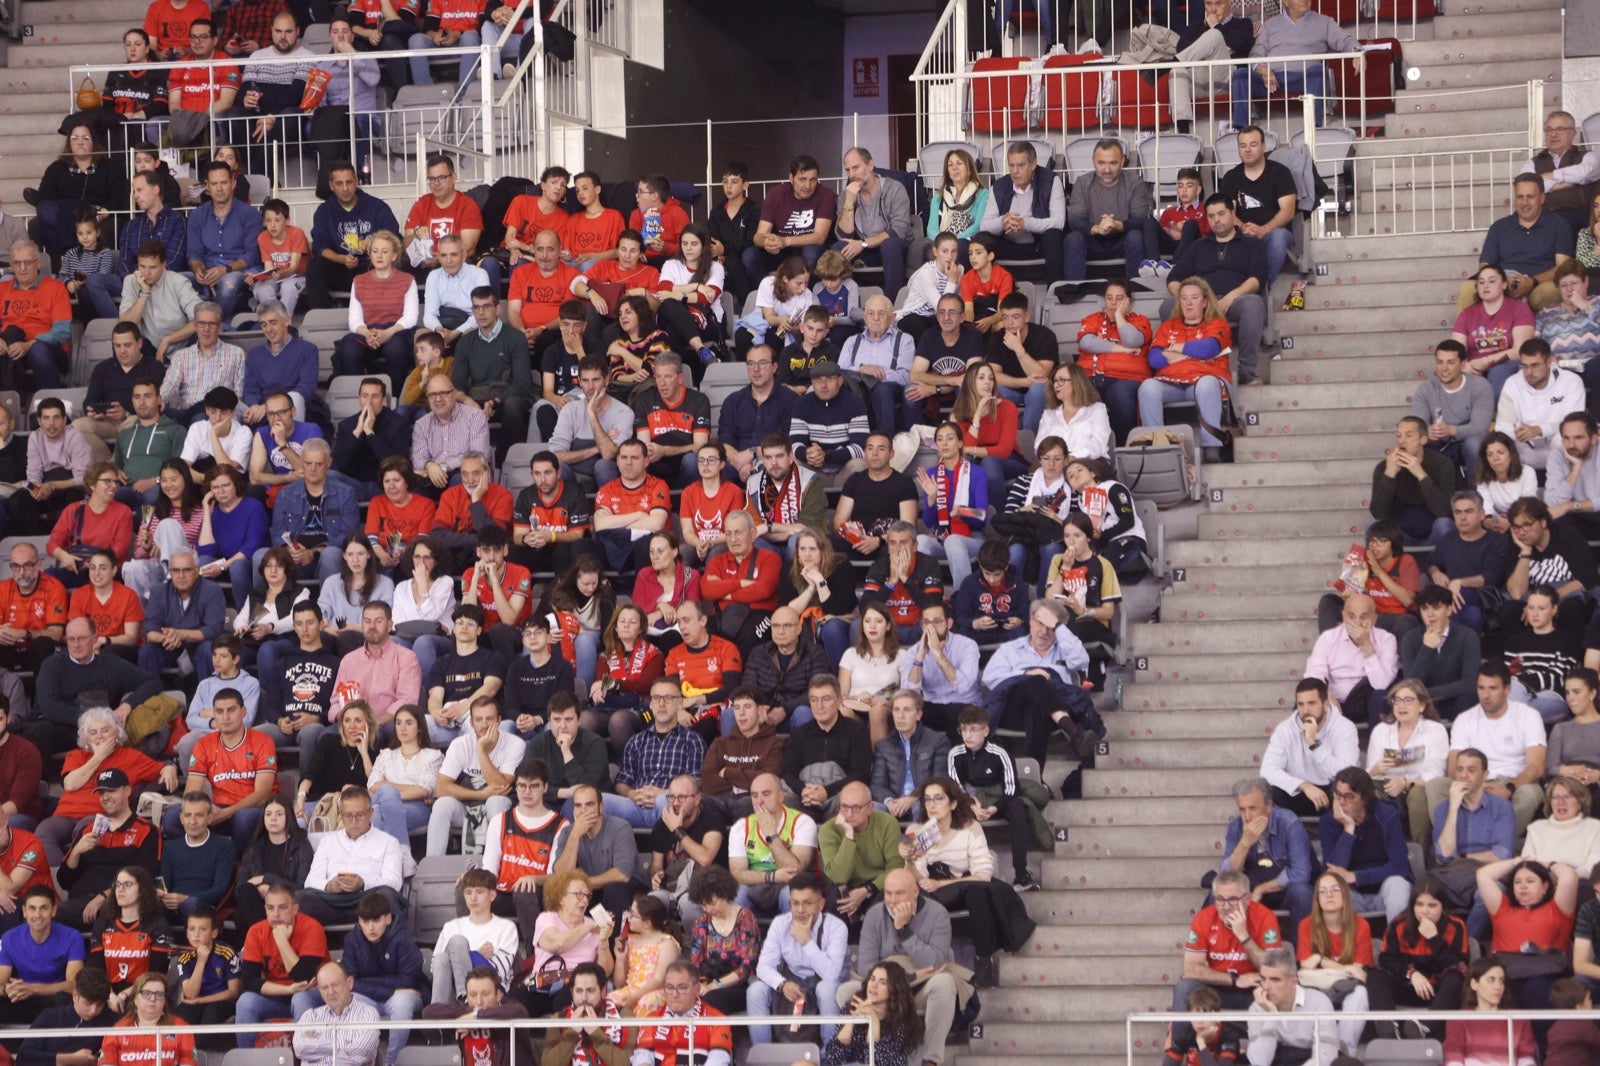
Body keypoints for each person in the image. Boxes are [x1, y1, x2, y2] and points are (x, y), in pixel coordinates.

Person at [835, 868, 963, 1066]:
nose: (892, 900)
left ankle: (930, 1060)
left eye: (899, 893)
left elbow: (936, 963)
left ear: (915, 892)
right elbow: (866, 968)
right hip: (886, 990)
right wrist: (906, 977)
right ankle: (865, 1055)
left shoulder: (938, 914)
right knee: (846, 991)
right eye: (888, 893)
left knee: (945, 983)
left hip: (921, 988)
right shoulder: (874, 914)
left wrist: (904, 931)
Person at [1421, 662, 1549, 839]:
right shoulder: (1465, 719)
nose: (1486, 695)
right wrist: (1476, 786)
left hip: (1514, 781)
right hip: (1473, 779)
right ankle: (1452, 843)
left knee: (1531, 793)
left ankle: (1499, 844)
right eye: (1481, 688)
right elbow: (1453, 767)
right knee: (1436, 786)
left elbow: (1537, 767)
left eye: (1492, 688)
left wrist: (1508, 788)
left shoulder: (1528, 716)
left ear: (1507, 690)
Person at [980, 599, 1100, 770]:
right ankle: (1073, 732)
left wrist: (1058, 626)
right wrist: (1025, 673)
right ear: (1030, 620)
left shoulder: (1064, 650)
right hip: (1012, 713)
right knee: (1035, 680)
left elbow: (1081, 661)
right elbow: (990, 678)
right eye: (1039, 623)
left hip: (1047, 716)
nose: (1044, 631)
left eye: (1050, 627)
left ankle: (1035, 779)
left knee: (1037, 708)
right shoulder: (1011, 649)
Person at [32, 625, 165, 765]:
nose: (76, 644)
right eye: (71, 639)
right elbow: (50, 707)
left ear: (95, 639)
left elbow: (153, 681)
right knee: (38, 732)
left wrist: (127, 705)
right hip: (63, 727)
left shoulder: (110, 663)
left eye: (82, 638)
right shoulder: (52, 665)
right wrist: (91, 720)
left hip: (100, 731)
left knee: (118, 731)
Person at [1140, 276, 1235, 464]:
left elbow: (1209, 348)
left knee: (1207, 383)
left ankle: (1212, 447)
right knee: (1147, 386)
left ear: (1205, 301)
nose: (1188, 303)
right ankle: (1158, 447)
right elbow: (1155, 359)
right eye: (1184, 298)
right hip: (1171, 384)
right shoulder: (1168, 327)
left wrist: (1177, 349)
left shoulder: (1217, 324)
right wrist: (1194, 354)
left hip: (1202, 381)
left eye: (1194, 297)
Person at [746, 871, 847, 1044]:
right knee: (755, 991)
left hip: (820, 987)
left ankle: (828, 1057)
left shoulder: (836, 927)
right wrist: (782, 984)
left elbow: (831, 975)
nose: (800, 910)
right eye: (795, 903)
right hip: (790, 984)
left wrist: (806, 941)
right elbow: (763, 967)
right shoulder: (780, 923)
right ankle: (763, 1058)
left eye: (807, 903)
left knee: (827, 989)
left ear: (821, 904)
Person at [1457, 173, 1575, 317]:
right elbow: (1485, 266)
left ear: (1542, 198)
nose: (1524, 202)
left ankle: (1546, 336)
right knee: (1467, 289)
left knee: (1551, 290)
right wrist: (1502, 282)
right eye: (1520, 197)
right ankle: (1462, 338)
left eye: (1530, 197)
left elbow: (1563, 268)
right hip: (1502, 283)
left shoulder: (1558, 224)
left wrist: (1532, 282)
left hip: (1538, 285)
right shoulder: (1499, 227)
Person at [1364, 877, 1469, 1030]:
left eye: (1432, 905)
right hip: (1408, 986)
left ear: (1443, 907)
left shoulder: (1456, 926)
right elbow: (1387, 960)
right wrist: (1411, 974)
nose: (1425, 911)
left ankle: (1423, 1028)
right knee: (1375, 975)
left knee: (1456, 978)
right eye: (1419, 904)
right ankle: (1387, 1027)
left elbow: (1460, 966)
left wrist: (1434, 939)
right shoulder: (1398, 924)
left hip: (1440, 993)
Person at [1477, 856, 1579, 1010]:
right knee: (1501, 989)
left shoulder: (1557, 907)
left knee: (1535, 988)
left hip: (1547, 973)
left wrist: (1546, 863)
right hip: (1507, 973)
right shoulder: (1502, 907)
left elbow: (1569, 876)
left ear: (1545, 886)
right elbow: (1483, 875)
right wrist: (1518, 861)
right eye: (1517, 882)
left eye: (1530, 881)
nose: (1522, 886)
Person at [233, 884, 328, 1045]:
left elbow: (304, 977)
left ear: (295, 908)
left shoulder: (311, 928)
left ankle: (307, 1058)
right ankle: (247, 1059)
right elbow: (250, 982)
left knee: (300, 998)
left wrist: (281, 940)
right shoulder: (256, 931)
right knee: (245, 1001)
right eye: (270, 908)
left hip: (312, 995)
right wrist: (287, 989)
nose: (275, 914)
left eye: (282, 907)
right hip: (276, 997)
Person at [1320, 766, 1414, 922]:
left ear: (1364, 798)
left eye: (1349, 796)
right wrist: (1348, 829)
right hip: (1352, 894)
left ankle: (1396, 943)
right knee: (1333, 888)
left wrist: (1356, 876)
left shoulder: (1387, 815)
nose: (1342, 802)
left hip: (1385, 888)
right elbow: (1333, 873)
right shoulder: (1329, 821)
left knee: (1398, 885)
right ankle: (1348, 946)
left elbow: (1400, 867)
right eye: (1338, 796)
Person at [332, 231, 418, 397]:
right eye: (375, 251)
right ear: (369, 254)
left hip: (396, 331)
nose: (379, 255)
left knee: (396, 350)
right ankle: (357, 398)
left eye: (385, 252)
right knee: (349, 350)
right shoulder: (359, 280)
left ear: (393, 256)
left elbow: (410, 317)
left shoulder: (407, 280)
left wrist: (387, 333)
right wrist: (367, 333)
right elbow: (354, 320)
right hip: (368, 332)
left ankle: (395, 398)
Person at [1294, 873, 1373, 1052]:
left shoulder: (1361, 925)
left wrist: (1322, 960)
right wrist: (1347, 968)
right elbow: (1306, 966)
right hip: (1317, 986)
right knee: (1308, 995)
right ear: (1317, 899)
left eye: (1335, 890)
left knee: (1360, 993)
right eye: (1323, 891)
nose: (1329, 895)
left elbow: (1360, 972)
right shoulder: (1306, 925)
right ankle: (1324, 1050)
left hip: (1348, 987)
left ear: (1345, 894)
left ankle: (1345, 1051)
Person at [306, 162, 401, 309]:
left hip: (372, 267)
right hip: (341, 268)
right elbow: (320, 246)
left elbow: (394, 236)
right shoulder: (324, 211)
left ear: (356, 181)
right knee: (315, 265)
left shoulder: (376, 206)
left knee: (394, 261)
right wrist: (341, 259)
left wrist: (373, 242)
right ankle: (322, 317)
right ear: (331, 186)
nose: (345, 189)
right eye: (339, 183)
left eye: (349, 182)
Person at [1260, 678, 1358, 819]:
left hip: (1332, 792)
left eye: (1311, 703)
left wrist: (1314, 744)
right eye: (1301, 704)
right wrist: (1304, 786)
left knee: (1345, 791)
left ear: (1325, 704)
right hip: (1301, 792)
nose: (1306, 711)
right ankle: (1290, 837)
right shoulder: (1285, 730)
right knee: (1269, 794)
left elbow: (1347, 774)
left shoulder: (1344, 728)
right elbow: (1267, 771)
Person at [1369, 678, 1452, 843]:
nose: (1401, 706)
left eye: (1408, 700)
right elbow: (1370, 773)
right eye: (1397, 700)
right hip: (1387, 787)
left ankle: (1421, 854)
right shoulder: (1381, 731)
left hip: (1420, 787)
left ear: (1421, 705)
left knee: (1417, 795)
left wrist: (1406, 782)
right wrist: (1376, 769)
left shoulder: (1435, 730)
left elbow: (1436, 772)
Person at [521, 871, 613, 1017]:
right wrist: (589, 927)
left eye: (587, 895)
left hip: (575, 986)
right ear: (561, 897)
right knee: (516, 1005)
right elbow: (557, 944)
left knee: (567, 1002)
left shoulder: (594, 926)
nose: (584, 900)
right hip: (541, 984)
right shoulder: (546, 918)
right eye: (578, 894)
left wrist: (603, 941)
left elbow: (605, 972)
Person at [1064, 139, 1157, 281]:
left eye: (1113, 163)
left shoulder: (1134, 182)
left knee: (1136, 237)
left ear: (1122, 161)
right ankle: (1072, 293)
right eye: (1101, 163)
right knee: (1073, 238)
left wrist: (1117, 225)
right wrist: (1097, 228)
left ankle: (1138, 289)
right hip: (1092, 242)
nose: (1107, 170)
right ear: (1093, 161)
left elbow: (1140, 219)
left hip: (1122, 240)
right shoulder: (1082, 183)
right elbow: (1075, 221)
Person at [1425, 490, 1511, 639]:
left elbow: (1491, 577)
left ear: (1482, 514)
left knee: (1460, 595)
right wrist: (1435, 572)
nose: (1462, 517)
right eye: (1457, 512)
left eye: (1468, 511)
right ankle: (1466, 656)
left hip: (1487, 597)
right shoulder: (1449, 538)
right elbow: (1432, 563)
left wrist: (1459, 582)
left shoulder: (1497, 541)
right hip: (1457, 601)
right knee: (1472, 616)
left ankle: (1442, 648)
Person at [1303, 594, 1399, 728]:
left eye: (1364, 617)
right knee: (1307, 699)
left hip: (1366, 699)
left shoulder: (1387, 639)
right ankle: (1312, 747)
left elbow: (1381, 684)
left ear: (1374, 619)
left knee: (1381, 697)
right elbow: (1313, 673)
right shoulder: (1328, 638)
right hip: (1335, 700)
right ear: (1343, 616)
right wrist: (1324, 694)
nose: (1357, 623)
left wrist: (1366, 645)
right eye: (1351, 616)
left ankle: (1379, 746)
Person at [728, 772, 817, 916]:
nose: (759, 801)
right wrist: (772, 876)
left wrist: (772, 835)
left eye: (766, 794)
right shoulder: (741, 827)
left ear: (781, 796)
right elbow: (737, 874)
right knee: (739, 895)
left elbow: (795, 870)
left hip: (789, 888)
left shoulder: (802, 822)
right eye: (754, 795)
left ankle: (794, 938)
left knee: (789, 895)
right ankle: (743, 938)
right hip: (756, 889)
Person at [85, 865, 172, 1011]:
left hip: (144, 994)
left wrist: (125, 994)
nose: (120, 889)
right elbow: (97, 969)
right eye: (117, 885)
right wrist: (110, 995)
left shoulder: (158, 925)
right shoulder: (103, 924)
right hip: (107, 994)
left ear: (142, 889)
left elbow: (156, 973)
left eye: (127, 884)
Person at [184, 161, 262, 320]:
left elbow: (252, 254)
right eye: (214, 183)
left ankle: (216, 328)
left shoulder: (250, 214)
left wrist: (225, 269)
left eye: (224, 182)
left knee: (228, 283)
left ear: (233, 183)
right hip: (208, 270)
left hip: (237, 271)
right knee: (177, 280)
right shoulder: (197, 215)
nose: (219, 188)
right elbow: (193, 253)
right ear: (207, 187)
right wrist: (198, 269)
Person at [978, 141, 1066, 281]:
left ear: (1033, 164)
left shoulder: (1051, 181)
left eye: (1021, 165)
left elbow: (1059, 222)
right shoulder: (1000, 186)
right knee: (981, 239)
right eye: (1011, 165)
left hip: (1039, 244)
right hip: (1009, 245)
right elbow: (984, 225)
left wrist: (1025, 223)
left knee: (1054, 235)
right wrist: (1003, 221)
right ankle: (984, 291)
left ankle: (1055, 293)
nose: (1015, 171)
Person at [834, 147, 914, 298]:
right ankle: (847, 303)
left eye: (856, 168)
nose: (852, 175)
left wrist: (863, 243)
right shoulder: (846, 195)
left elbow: (899, 230)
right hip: (864, 249)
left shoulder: (894, 188)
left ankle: (891, 305)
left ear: (870, 165)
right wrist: (849, 201)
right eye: (848, 170)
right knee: (838, 248)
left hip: (894, 247)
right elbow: (843, 235)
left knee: (890, 244)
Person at [0, 886, 86, 1024]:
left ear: (54, 911)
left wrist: (33, 989)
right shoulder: (9, 938)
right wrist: (7, 990)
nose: (37, 915)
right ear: (24, 912)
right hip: (22, 999)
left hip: (53, 1000)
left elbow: (74, 985)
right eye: (32, 908)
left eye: (44, 908)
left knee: (65, 999)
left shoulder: (72, 937)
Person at [744, 155, 837, 280]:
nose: (808, 186)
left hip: (809, 249)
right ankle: (770, 293)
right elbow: (758, 236)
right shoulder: (775, 194)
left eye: (813, 180)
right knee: (749, 255)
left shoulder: (825, 194)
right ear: (791, 178)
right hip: (781, 252)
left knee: (811, 252)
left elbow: (820, 237)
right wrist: (767, 242)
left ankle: (806, 296)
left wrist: (785, 241)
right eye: (802, 179)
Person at [432, 867, 519, 999]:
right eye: (468, 892)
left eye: (479, 892)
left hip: (489, 994)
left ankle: (466, 998)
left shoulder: (507, 928)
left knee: (457, 942)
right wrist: (477, 955)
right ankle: (462, 999)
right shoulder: (451, 926)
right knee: (442, 957)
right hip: (452, 993)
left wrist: (467, 956)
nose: (473, 898)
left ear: (492, 895)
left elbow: (498, 973)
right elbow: (436, 967)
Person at [421, 964, 534, 1066]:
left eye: (485, 994)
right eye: (473, 995)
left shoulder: (510, 1009)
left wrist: (477, 1016)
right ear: (467, 997)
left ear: (498, 995)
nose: (479, 1002)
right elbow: (428, 1012)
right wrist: (468, 1017)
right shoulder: (463, 1014)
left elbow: (518, 1012)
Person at [42, 463, 133, 590]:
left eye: (115, 482)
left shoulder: (123, 511)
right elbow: (52, 543)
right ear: (92, 484)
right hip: (78, 570)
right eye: (107, 481)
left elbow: (119, 548)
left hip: (108, 570)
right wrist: (64, 556)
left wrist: (93, 563)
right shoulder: (73, 509)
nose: (113, 486)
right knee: (48, 577)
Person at [1244, 946, 1340, 1066]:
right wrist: (1272, 1017)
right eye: (1263, 979)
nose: (1266, 987)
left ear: (1294, 982)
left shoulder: (1319, 1003)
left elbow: (1325, 1058)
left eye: (1275, 980)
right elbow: (1258, 1062)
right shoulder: (1257, 1007)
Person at [1372, 416, 1458, 546]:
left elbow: (1445, 511)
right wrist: (1389, 475)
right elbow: (1378, 513)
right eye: (1398, 436)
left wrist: (1421, 474)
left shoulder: (1442, 464)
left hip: (1433, 531)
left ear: (1423, 439)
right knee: (1373, 526)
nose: (1402, 441)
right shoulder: (1384, 467)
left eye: (1408, 436)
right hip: (1401, 535)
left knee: (1444, 525)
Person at [629, 959, 734, 1066]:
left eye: (682, 988)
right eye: (669, 988)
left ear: (697, 989)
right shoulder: (652, 1019)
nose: (674, 994)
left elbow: (717, 1062)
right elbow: (642, 1059)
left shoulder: (717, 1020)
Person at [1413, 340, 1494, 477]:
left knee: (1474, 444)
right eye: (1440, 362)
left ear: (1462, 364)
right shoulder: (1426, 389)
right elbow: (1416, 424)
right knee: (1414, 443)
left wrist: (1451, 430)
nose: (1444, 368)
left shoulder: (1480, 386)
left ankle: (1477, 494)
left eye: (1450, 362)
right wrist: (1427, 431)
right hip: (1439, 444)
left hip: (1467, 442)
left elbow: (1480, 428)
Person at [683, 865, 758, 1013]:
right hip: (708, 985)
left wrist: (714, 985)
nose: (708, 909)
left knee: (711, 999)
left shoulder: (745, 919)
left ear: (724, 894)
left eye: (712, 903)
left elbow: (746, 967)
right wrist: (700, 986)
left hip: (738, 986)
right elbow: (696, 963)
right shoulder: (701, 923)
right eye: (703, 905)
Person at [740, 609, 830, 732]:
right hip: (761, 714)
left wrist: (785, 709)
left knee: (803, 712)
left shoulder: (815, 653)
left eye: (787, 626)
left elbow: (817, 691)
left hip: (793, 714)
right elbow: (748, 687)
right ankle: (735, 751)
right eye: (776, 626)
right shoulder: (758, 653)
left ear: (799, 628)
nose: (780, 631)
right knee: (729, 714)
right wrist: (759, 707)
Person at [1456, 267, 1538, 398]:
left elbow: (1521, 350)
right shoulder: (1467, 314)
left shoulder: (1519, 309)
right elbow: (1455, 350)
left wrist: (1486, 361)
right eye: (1481, 282)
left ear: (1504, 284)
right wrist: (1464, 366)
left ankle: (1495, 417)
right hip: (1474, 368)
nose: (1485, 286)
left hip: (1507, 365)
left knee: (1498, 372)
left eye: (1492, 281)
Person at [872, 690, 951, 819]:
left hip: (923, 800)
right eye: (896, 710)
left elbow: (939, 779)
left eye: (907, 710)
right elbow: (877, 783)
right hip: (894, 803)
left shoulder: (938, 741)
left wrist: (912, 798)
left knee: (921, 806)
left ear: (919, 715)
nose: (900, 716)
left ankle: (914, 839)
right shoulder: (883, 746)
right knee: (872, 809)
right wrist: (889, 801)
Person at [15, 966, 114, 1066]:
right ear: (75, 996)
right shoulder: (50, 1017)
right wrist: (70, 1059)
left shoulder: (114, 1022)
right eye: (88, 1003)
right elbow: (23, 1058)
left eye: (99, 1005)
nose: (93, 1011)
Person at [290, 961, 382, 1066]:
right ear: (318, 990)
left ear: (349, 983)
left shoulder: (368, 1014)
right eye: (324, 988)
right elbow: (300, 1049)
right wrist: (344, 1045)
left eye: (335, 985)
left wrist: (318, 1055)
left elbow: (361, 1053)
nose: (330, 992)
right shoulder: (311, 1016)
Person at [97, 971, 196, 1066]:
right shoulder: (118, 1031)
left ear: (164, 1001)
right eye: (146, 993)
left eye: (159, 994)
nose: (153, 998)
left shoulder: (181, 1028)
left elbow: (189, 1063)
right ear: (135, 998)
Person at [610, 894, 683, 1016]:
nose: (629, 917)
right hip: (632, 990)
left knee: (646, 1002)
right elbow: (619, 984)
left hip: (657, 992)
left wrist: (635, 996)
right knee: (610, 1000)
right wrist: (620, 959)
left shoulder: (666, 943)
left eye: (633, 914)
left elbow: (660, 980)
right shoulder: (631, 941)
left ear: (647, 923)